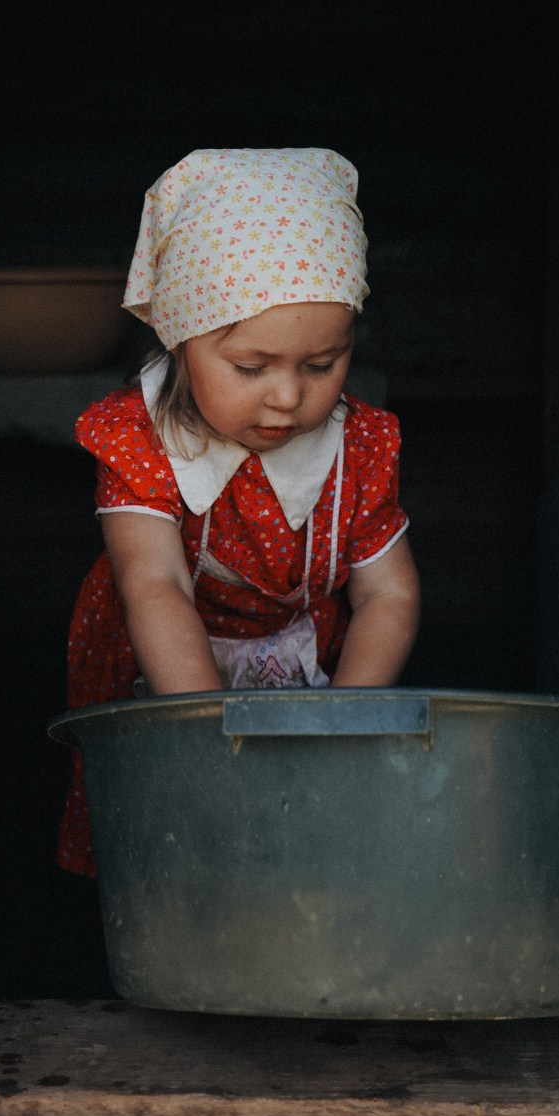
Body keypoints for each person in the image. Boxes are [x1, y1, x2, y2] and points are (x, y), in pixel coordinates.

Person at [57, 147, 420, 875]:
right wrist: (202, 734)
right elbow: (153, 583)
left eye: (322, 365)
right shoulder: (140, 440)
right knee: (175, 842)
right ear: (183, 340)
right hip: (163, 668)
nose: (287, 396)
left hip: (298, 663)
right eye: (251, 368)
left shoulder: (361, 445)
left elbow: (389, 591)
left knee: (296, 846)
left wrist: (340, 719)